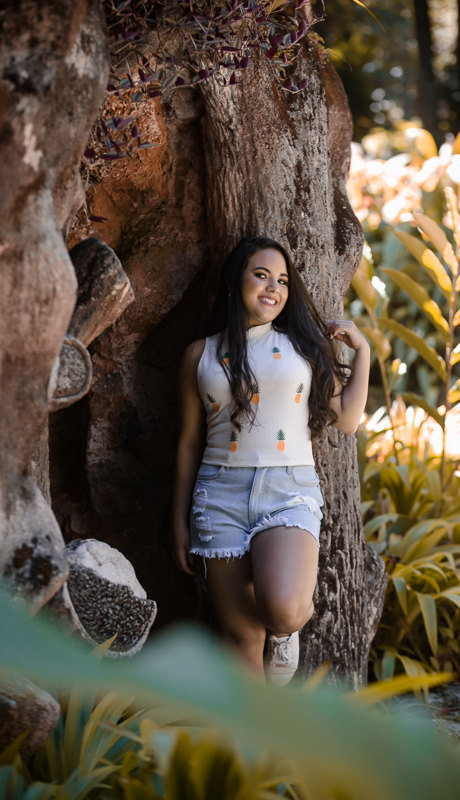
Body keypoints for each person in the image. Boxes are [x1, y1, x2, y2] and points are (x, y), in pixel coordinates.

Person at [172, 236, 370, 685]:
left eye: (281, 281)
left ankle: (285, 634)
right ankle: (257, 748)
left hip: (288, 492)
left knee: (284, 610)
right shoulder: (199, 355)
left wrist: (365, 354)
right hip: (217, 496)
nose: (273, 288)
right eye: (261, 275)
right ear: (234, 281)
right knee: (241, 641)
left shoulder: (302, 347)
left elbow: (348, 420)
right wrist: (179, 522)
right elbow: (188, 441)